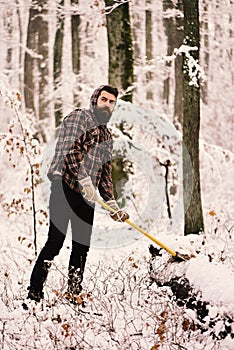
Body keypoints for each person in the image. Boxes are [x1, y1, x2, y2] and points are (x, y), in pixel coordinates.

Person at [27, 85, 129, 303]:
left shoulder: (106, 135)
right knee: (55, 242)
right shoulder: (79, 118)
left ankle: (73, 293)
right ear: (95, 100)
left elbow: (104, 172)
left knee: (82, 246)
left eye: (112, 102)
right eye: (104, 99)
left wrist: (112, 204)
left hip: (86, 196)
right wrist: (84, 180)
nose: (107, 105)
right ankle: (34, 293)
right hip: (65, 187)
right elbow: (69, 151)